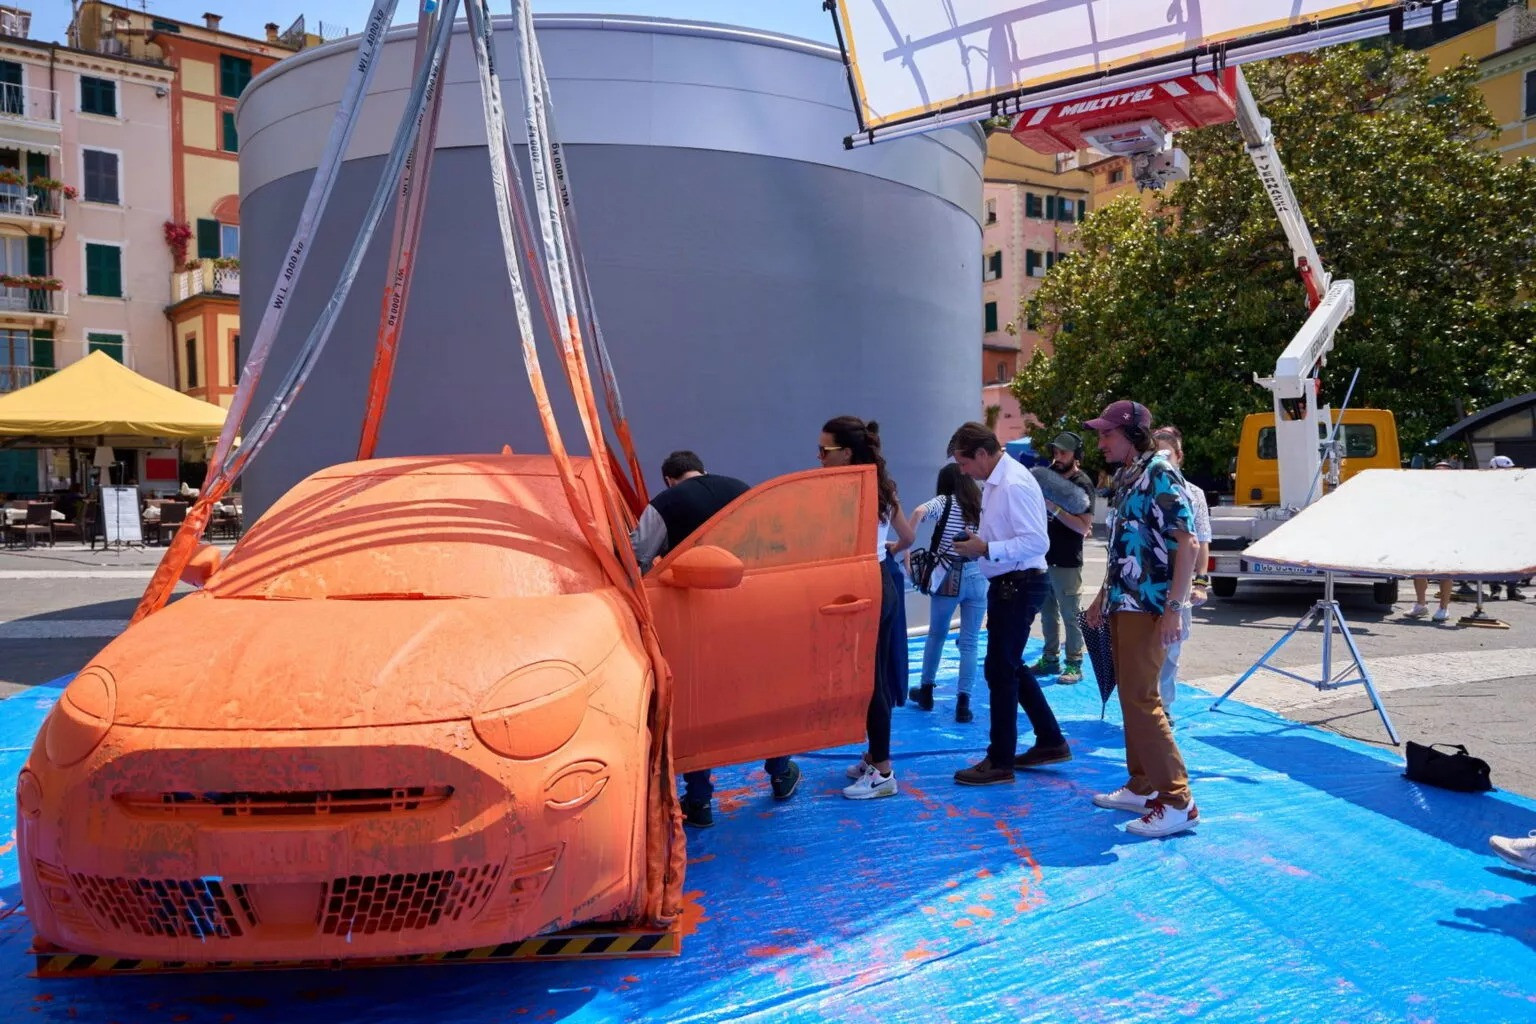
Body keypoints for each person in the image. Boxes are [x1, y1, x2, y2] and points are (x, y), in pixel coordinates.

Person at [629, 451, 796, 829]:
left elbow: (637, 557)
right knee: (764, 690)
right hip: (754, 607)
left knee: (697, 702)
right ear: (702, 469)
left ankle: (700, 800)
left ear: (669, 479)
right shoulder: (744, 491)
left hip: (695, 615)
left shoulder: (664, 504)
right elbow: (774, 546)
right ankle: (780, 773)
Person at [1083, 400, 1199, 838]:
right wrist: (1102, 597)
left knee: (1142, 698)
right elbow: (1125, 547)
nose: (1100, 442)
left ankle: (1178, 800)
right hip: (1124, 603)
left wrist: (1174, 607)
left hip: (1149, 606)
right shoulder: (1128, 476)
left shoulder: (1159, 472)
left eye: (1107, 434)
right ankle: (1142, 784)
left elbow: (1187, 542)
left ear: (1131, 434)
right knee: (1131, 697)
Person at [947, 422, 1069, 786]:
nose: (963, 471)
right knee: (1008, 666)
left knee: (1001, 670)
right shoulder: (997, 482)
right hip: (1011, 582)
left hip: (1019, 583)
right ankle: (1049, 740)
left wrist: (986, 548)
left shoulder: (1012, 483)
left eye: (964, 463)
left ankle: (1001, 760)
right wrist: (979, 545)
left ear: (982, 454)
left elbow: (1037, 542)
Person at [821, 416, 914, 800]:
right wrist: (886, 548)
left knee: (871, 679)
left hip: (864, 585)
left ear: (846, 453)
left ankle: (883, 771)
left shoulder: (843, 490)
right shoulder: (882, 486)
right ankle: (875, 756)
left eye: (824, 451)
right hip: (882, 579)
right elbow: (907, 536)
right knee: (876, 675)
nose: (820, 458)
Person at [908, 463, 986, 722]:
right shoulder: (980, 504)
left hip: (948, 574)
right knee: (970, 641)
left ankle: (926, 690)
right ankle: (963, 703)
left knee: (937, 634)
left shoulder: (945, 501)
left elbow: (920, 511)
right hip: (977, 573)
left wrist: (907, 542)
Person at [1149, 426, 1210, 722]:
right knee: (1143, 650)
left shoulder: (1194, 494)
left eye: (1167, 454)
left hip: (1178, 584)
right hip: (1146, 582)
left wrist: (1200, 582)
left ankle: (1164, 708)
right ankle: (1142, 706)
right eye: (1156, 454)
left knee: (1171, 650)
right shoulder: (1140, 487)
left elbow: (1201, 539)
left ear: (1179, 455)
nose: (1161, 461)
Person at [1032, 431, 1096, 686]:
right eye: (1055, 452)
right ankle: (1050, 658)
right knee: (1047, 614)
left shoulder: (1083, 484)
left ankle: (1074, 663)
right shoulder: (1050, 476)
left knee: (1071, 615)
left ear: (1076, 455)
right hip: (1042, 558)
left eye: (1063, 453)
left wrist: (1054, 508)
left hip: (1067, 560)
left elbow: (1083, 526)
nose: (1057, 457)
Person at [1408, 461, 1456, 622]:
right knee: (1419, 570)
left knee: (1445, 572)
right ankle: (1421, 604)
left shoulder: (1455, 494)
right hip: (1425, 534)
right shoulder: (1426, 492)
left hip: (1447, 536)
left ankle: (1444, 608)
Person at [1486, 455, 1526, 601]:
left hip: (1512, 527)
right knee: (1494, 560)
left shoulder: (1515, 485)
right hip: (1493, 527)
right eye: (1505, 469)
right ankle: (1495, 589)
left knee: (1514, 558)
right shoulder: (1487, 486)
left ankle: (1512, 589)